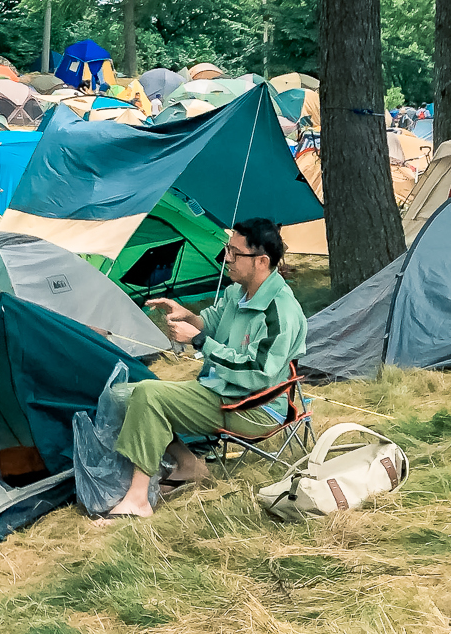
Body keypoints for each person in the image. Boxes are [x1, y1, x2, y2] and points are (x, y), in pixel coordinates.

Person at [101, 217, 306, 520]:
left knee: (148, 394)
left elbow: (256, 372)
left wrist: (198, 341)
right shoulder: (240, 291)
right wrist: (189, 317)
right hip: (222, 389)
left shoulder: (280, 312)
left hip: (254, 405)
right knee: (122, 395)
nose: (227, 259)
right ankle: (190, 465)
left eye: (236, 253)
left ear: (262, 261)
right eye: (228, 249)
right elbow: (212, 321)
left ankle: (137, 499)